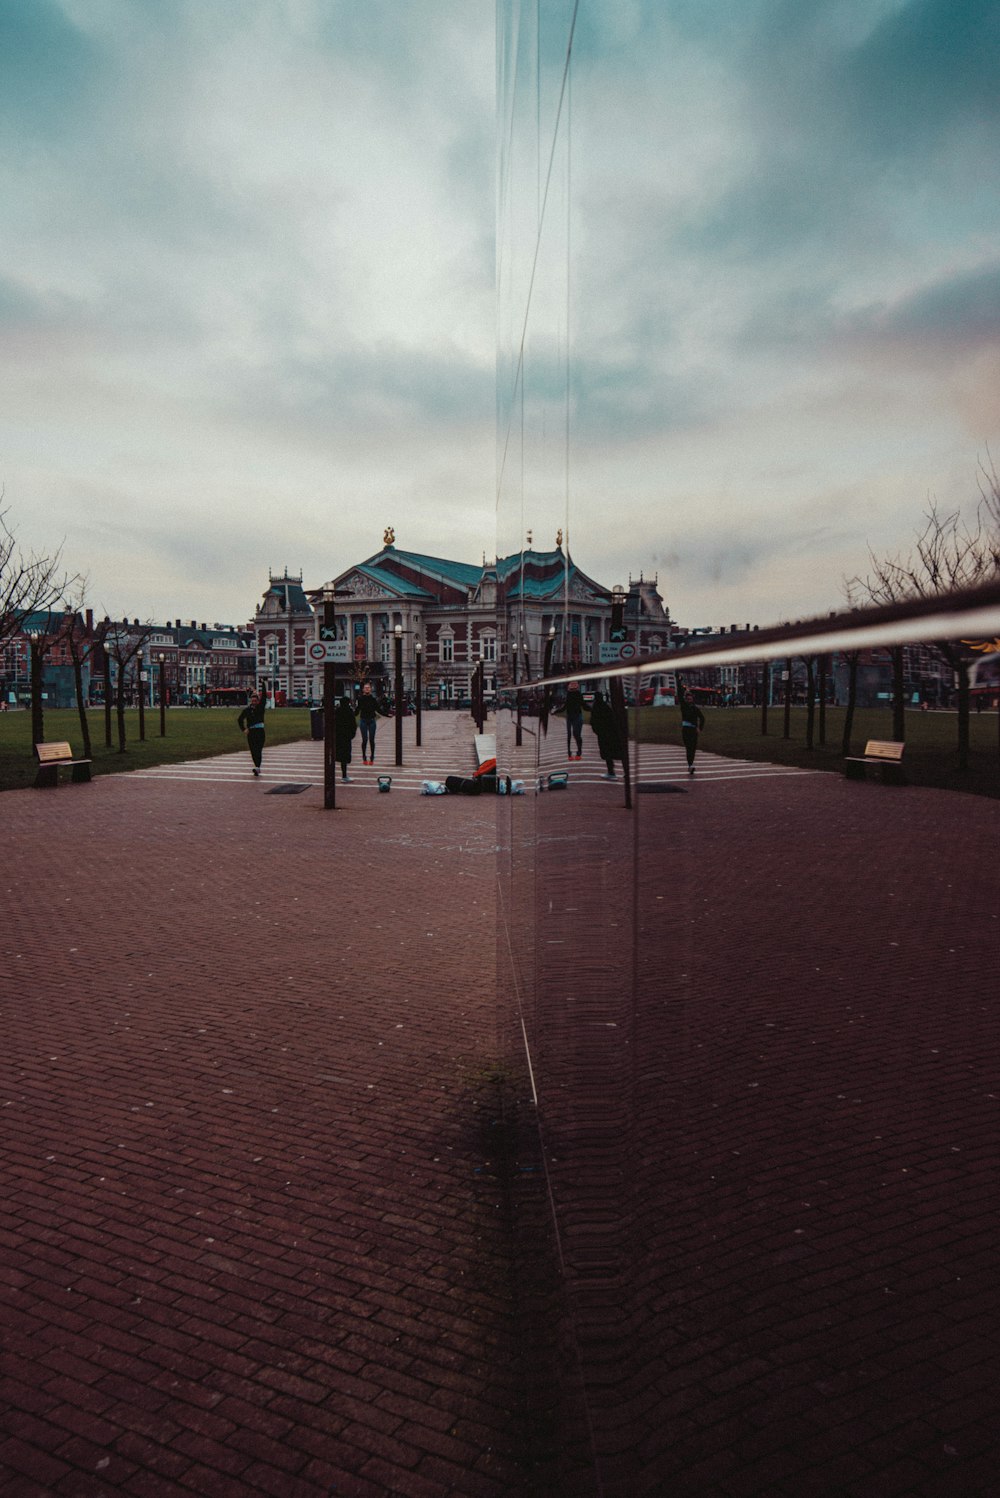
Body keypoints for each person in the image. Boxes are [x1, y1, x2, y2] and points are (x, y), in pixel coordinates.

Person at [237, 679, 268, 776]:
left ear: (258, 701)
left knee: (258, 749)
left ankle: (257, 767)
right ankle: (257, 767)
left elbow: (264, 696)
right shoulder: (247, 710)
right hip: (251, 732)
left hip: (260, 732)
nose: (254, 702)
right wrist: (244, 729)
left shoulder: (260, 708)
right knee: (253, 750)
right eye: (252, 700)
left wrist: (263, 684)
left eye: (255, 700)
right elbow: (240, 719)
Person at [590, 691, 623, 779]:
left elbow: (593, 722)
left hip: (603, 734)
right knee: (617, 751)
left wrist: (598, 731)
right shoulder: (606, 706)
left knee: (607, 754)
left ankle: (611, 772)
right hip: (612, 733)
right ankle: (624, 771)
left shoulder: (596, 708)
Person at [678, 685, 705, 775]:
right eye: (688, 699)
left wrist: (699, 728)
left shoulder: (695, 708)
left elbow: (702, 718)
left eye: (690, 699)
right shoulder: (684, 706)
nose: (689, 701)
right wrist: (678, 680)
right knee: (689, 748)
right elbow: (680, 693)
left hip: (693, 731)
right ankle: (690, 765)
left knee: (693, 749)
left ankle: (690, 765)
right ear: (686, 699)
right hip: (686, 730)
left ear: (692, 699)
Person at [356, 682, 382, 763]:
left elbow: (378, 709)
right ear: (363, 689)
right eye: (365, 687)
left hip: (371, 720)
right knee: (364, 739)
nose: (367, 688)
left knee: (371, 739)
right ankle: (364, 756)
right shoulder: (360, 699)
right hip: (363, 720)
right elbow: (357, 710)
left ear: (371, 689)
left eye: (368, 687)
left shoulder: (373, 699)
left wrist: (387, 714)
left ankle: (372, 756)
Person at [334, 695, 357, 781]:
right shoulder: (349, 711)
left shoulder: (337, 711)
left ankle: (335, 775)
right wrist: (352, 734)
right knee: (345, 756)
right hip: (346, 737)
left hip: (338, 736)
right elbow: (353, 724)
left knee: (338, 754)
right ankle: (344, 776)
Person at [564, 680, 585, 759]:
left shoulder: (571, 695)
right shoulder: (576, 694)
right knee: (576, 734)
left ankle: (573, 752)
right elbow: (584, 705)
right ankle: (577, 752)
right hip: (575, 716)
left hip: (572, 716)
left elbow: (565, 707)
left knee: (572, 734)